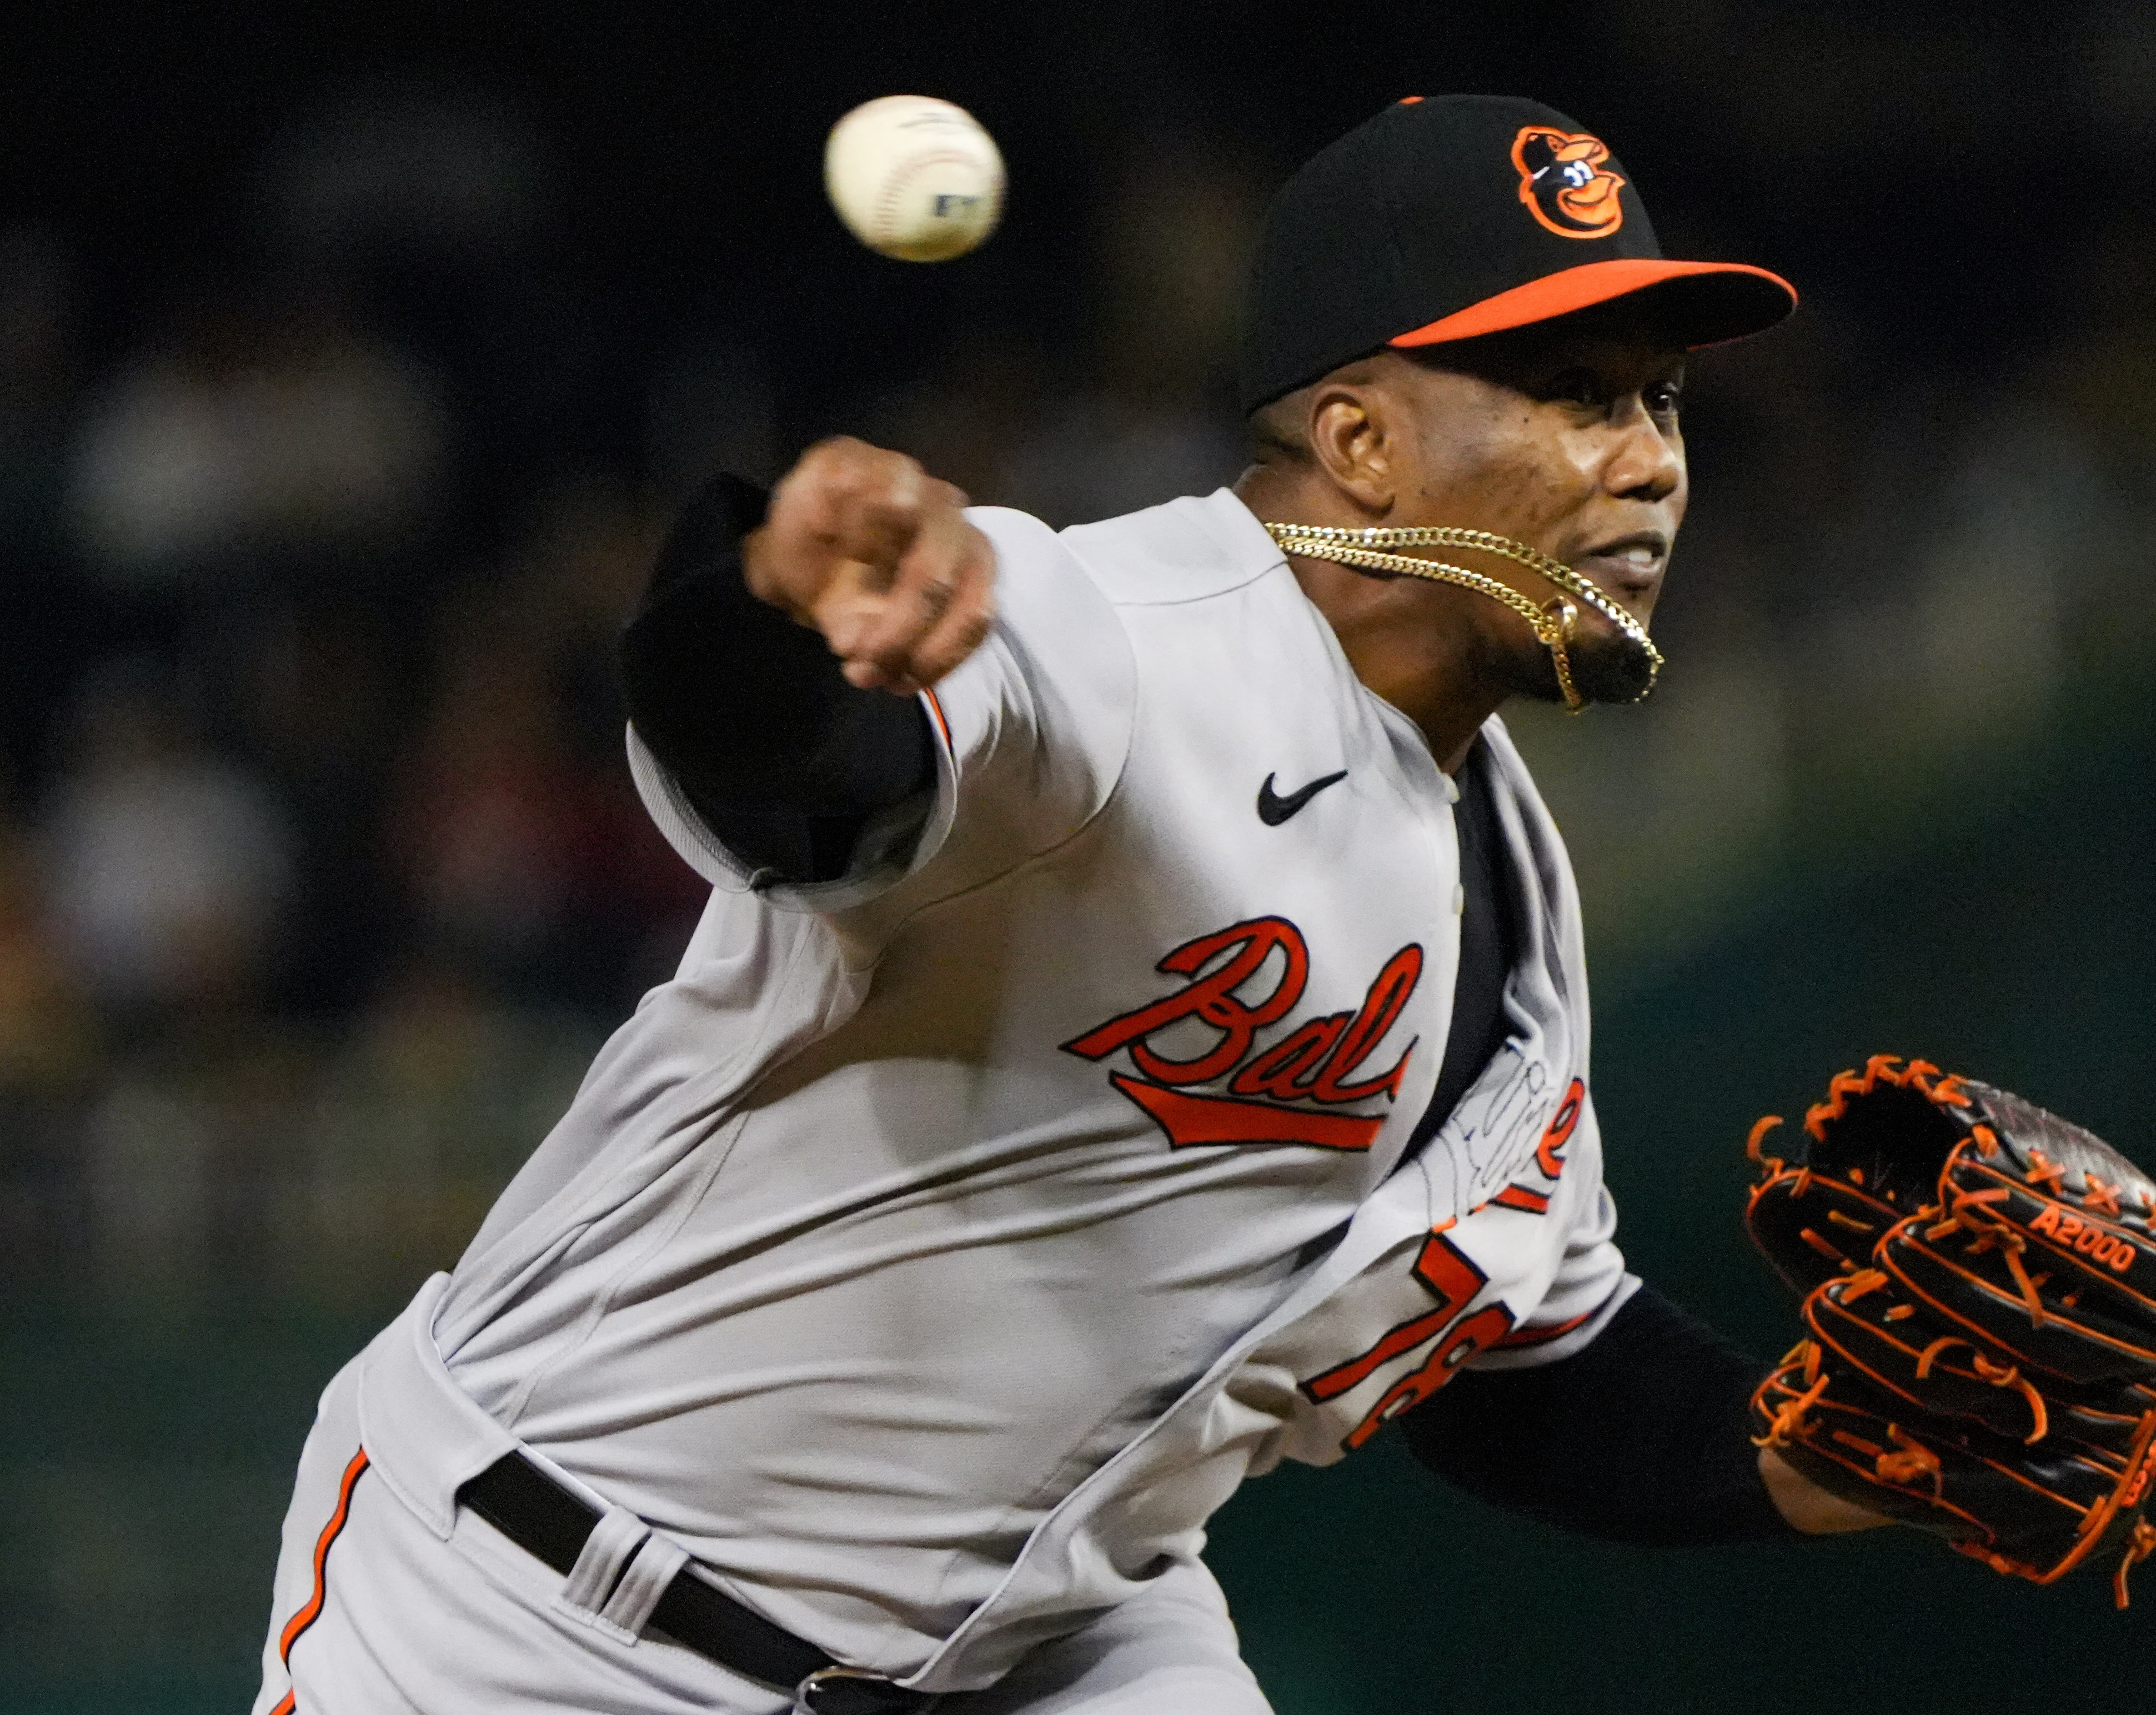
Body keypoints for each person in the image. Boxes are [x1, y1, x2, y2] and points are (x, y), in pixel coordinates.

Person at [254, 94, 1883, 1715]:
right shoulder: (1116, 635)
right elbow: (804, 767)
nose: (1651, 462)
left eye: (1661, 399)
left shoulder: (1506, 883)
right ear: (1363, 440)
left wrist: (1844, 1451)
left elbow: (1519, 1358)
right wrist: (772, 607)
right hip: (542, 1613)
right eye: (1574, 393)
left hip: (1051, 1653)